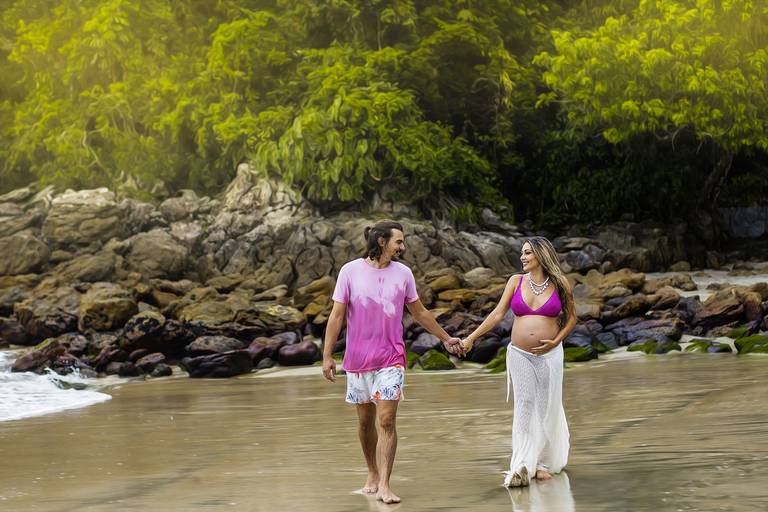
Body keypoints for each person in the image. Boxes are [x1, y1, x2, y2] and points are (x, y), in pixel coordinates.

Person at [322, 220, 464, 504]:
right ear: (381, 242)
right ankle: (372, 473)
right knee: (365, 422)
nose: (403, 246)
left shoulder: (404, 274)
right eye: (399, 241)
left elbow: (420, 312)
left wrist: (446, 338)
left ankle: (385, 484)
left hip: (392, 358)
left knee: (386, 420)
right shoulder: (350, 271)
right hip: (358, 359)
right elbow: (337, 316)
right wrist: (327, 356)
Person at [461, 236, 576, 487]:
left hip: (550, 356)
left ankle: (544, 463)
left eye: (527, 253)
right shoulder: (515, 281)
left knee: (547, 406)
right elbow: (497, 314)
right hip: (519, 354)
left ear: (541, 255)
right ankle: (522, 463)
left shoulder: (560, 283)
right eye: (522, 254)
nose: (522, 258)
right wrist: (471, 338)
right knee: (524, 405)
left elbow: (572, 318)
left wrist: (557, 341)